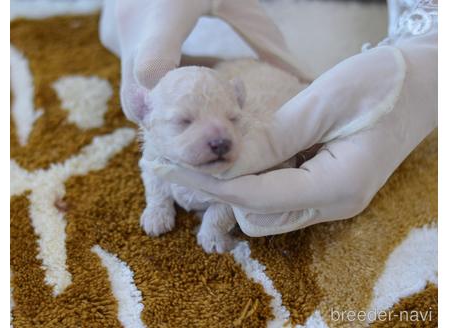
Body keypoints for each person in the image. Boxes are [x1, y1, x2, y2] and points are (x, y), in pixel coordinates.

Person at [100, 0, 437, 237]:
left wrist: (435, 49)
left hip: (349, 20)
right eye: (184, 122)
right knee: (113, 33)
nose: (220, 136)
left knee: (320, 67)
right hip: (227, 38)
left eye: (233, 119)